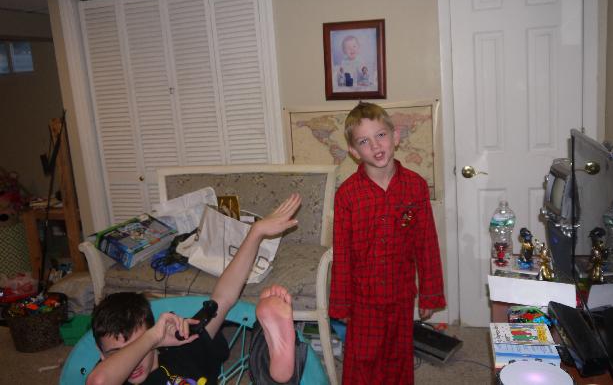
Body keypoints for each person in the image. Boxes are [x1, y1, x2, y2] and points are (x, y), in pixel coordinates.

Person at [87, 194, 303, 385]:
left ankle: (275, 368)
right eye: (118, 353)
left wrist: (256, 233)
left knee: (268, 356)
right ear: (101, 355)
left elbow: (223, 298)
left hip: (188, 350)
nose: (133, 364)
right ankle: (277, 374)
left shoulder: (182, 347)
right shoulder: (112, 377)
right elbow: (98, 381)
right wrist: (149, 340)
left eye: (137, 347)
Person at [329, 102, 446, 385]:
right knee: (362, 361)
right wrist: (341, 305)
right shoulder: (347, 195)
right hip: (363, 299)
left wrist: (429, 295)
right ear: (354, 152)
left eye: (380, 135)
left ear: (395, 137)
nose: (375, 146)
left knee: (398, 358)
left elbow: (426, 244)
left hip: (401, 294)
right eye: (364, 141)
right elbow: (342, 255)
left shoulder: (415, 186)